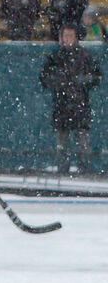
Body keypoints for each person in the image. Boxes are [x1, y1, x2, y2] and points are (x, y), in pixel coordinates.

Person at [39, 23, 101, 175]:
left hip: (80, 104)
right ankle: (63, 170)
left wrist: (81, 81)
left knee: (82, 141)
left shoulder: (84, 56)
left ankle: (84, 170)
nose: (68, 39)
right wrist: (60, 83)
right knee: (62, 142)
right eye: (65, 36)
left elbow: (95, 77)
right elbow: (45, 78)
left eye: (70, 35)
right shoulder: (55, 57)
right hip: (62, 105)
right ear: (61, 38)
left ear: (76, 37)